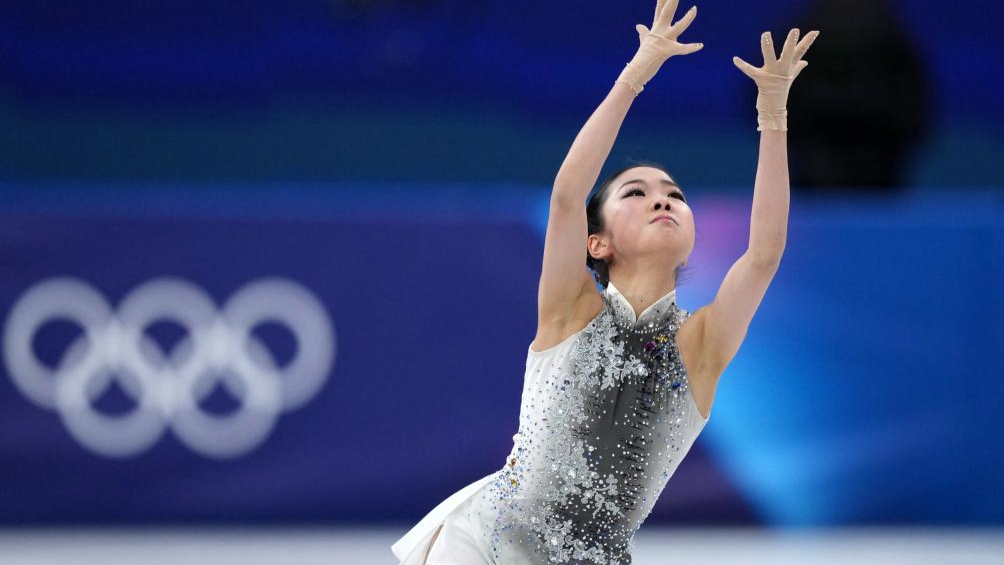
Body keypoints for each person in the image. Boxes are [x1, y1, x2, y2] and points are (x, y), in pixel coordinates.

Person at [392, 1, 819, 563]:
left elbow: (763, 255)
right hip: (483, 545)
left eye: (674, 195)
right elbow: (568, 196)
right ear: (597, 243)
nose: (661, 200)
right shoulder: (571, 309)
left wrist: (773, 114)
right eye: (635, 193)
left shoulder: (700, 345)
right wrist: (635, 75)